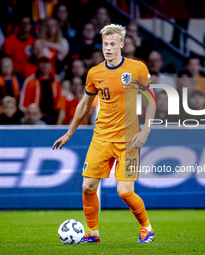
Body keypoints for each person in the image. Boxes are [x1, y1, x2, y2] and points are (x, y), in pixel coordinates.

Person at [53, 24, 156, 243]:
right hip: (101, 137)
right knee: (88, 187)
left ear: (121, 44)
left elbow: (151, 100)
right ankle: (92, 233)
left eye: (112, 44)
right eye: (104, 44)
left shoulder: (137, 68)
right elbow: (84, 105)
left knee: (125, 192)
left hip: (128, 140)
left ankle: (146, 228)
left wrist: (146, 129)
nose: (107, 48)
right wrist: (69, 133)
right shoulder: (95, 73)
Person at [19, 48, 64, 124]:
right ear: (38, 64)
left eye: (47, 62)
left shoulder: (56, 82)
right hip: (34, 120)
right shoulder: (30, 81)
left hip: (52, 119)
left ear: (51, 64)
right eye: (42, 62)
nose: (45, 65)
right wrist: (34, 116)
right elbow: (23, 106)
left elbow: (60, 106)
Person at [3, 16, 37, 80]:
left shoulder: (33, 41)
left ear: (31, 26)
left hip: (30, 74)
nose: (26, 25)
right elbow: (6, 61)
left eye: (28, 23)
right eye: (24, 23)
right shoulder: (9, 41)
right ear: (19, 25)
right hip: (14, 74)